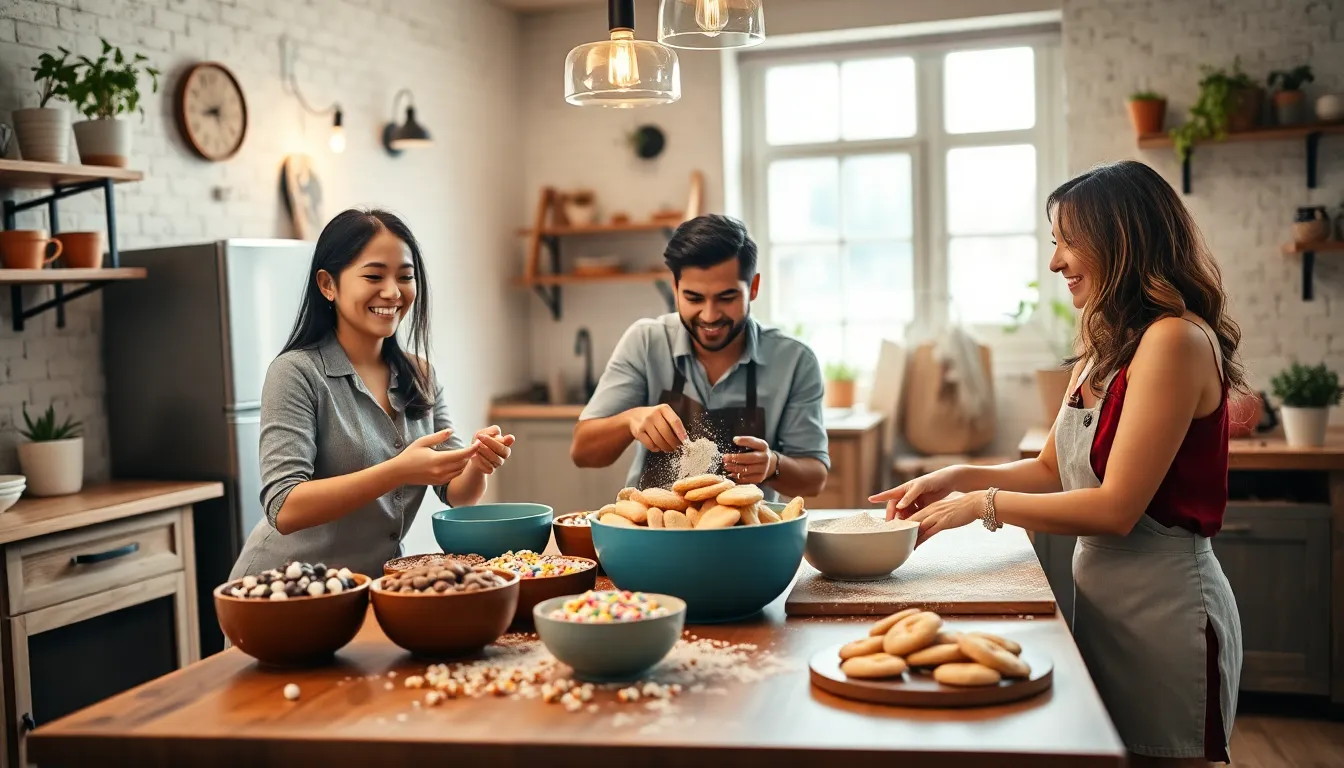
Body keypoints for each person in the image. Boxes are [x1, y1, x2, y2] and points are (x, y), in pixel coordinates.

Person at [871, 160, 1243, 766]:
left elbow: (1118, 507)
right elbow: (1051, 471)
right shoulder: (1103, 347)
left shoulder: (1174, 341)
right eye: (1055, 243)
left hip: (1167, 614)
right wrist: (960, 475)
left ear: (1120, 240)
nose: (1055, 262)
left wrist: (981, 506)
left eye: (1068, 242)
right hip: (1105, 607)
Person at [229, 209, 514, 581]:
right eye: (374, 276)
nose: (393, 292)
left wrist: (478, 460)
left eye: (405, 277)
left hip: (367, 587)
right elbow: (284, 507)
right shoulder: (296, 373)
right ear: (328, 284)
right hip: (282, 591)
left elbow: (458, 493)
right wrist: (397, 471)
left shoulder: (421, 374)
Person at [570, 214, 829, 502]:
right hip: (653, 533)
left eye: (726, 298)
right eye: (694, 298)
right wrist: (630, 420)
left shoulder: (794, 361)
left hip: (747, 538)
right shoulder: (646, 342)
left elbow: (814, 478)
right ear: (675, 289)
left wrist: (773, 465)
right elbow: (582, 452)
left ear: (753, 288)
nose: (710, 315)